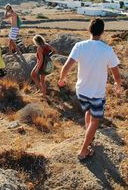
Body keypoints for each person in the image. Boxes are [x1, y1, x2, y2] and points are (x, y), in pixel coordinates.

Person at [58, 18, 121, 161]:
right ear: (103, 32)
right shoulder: (107, 49)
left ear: (88, 30)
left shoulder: (79, 46)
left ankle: (89, 137)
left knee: (88, 111)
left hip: (81, 91)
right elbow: (116, 72)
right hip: (97, 93)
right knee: (95, 120)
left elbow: (66, 67)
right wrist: (118, 84)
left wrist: (62, 80)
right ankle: (84, 150)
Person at [31, 35, 57, 99]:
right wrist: (48, 56)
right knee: (33, 75)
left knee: (41, 80)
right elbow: (55, 51)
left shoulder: (39, 48)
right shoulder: (47, 45)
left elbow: (41, 60)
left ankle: (44, 95)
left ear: (36, 41)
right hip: (47, 64)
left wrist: (37, 69)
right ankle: (41, 89)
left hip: (42, 65)